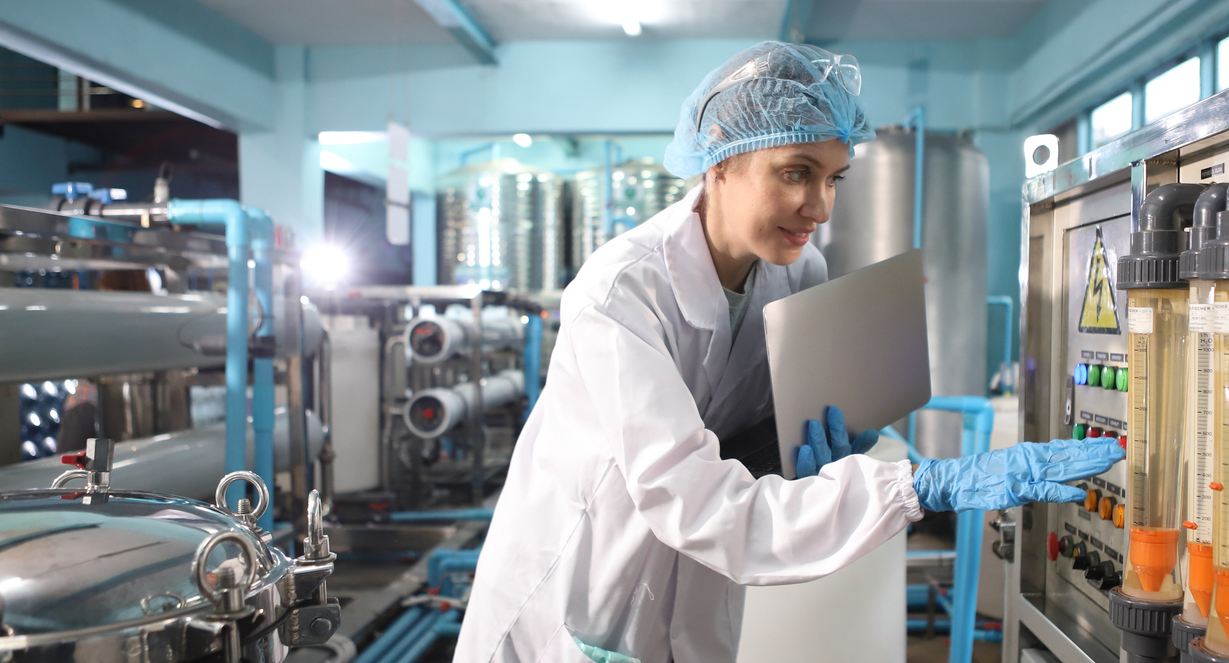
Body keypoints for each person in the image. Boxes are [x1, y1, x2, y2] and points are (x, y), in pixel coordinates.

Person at [454, 42, 1123, 663]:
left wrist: (785, 449)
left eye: (835, 179)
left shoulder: (796, 271)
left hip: (691, 590)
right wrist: (923, 485)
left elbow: (743, 439)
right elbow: (695, 502)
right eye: (796, 173)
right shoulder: (619, 295)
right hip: (579, 589)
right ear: (720, 158)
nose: (820, 207)